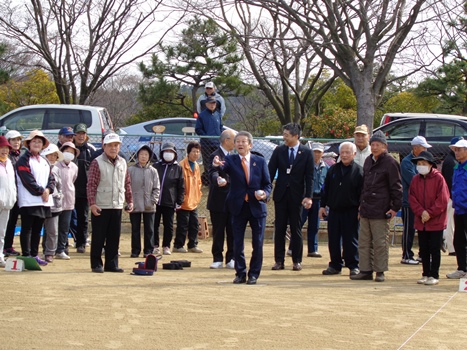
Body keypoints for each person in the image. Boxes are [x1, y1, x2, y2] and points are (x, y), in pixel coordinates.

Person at [212, 131, 272, 284]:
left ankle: (253, 274)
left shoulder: (260, 161)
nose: (239, 144)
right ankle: (240, 273)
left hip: (257, 207)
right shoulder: (231, 160)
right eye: (237, 141)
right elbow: (222, 168)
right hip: (238, 206)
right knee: (237, 242)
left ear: (250, 145)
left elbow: (267, 184)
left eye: (243, 141)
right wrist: (216, 165)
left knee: (257, 243)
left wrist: (264, 194)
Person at [351, 130, 402, 282]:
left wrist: (394, 207)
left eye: (377, 145)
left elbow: (397, 187)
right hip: (366, 207)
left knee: (380, 242)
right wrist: (361, 205)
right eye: (372, 144)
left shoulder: (391, 163)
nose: (374, 147)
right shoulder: (368, 161)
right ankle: (365, 270)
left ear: (385, 146)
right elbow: (364, 186)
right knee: (364, 241)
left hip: (381, 209)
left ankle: (380, 271)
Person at [268, 123, 313, 271]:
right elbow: (270, 172)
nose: (284, 138)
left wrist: (308, 196)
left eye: (287, 135)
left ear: (295, 136)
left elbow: (309, 176)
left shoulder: (306, 152)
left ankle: (297, 260)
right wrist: (266, 190)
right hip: (281, 194)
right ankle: (279, 261)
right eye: (284, 135)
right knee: (280, 228)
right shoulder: (279, 151)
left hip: (297, 196)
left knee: (296, 228)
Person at [87, 133, 133, 273]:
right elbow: (91, 185)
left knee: (114, 236)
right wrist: (92, 204)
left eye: (116, 145)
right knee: (98, 237)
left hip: (117, 204)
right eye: (110, 145)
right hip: (101, 205)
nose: (113, 148)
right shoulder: (97, 162)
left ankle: (112, 264)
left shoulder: (123, 162)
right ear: (104, 146)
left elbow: (127, 183)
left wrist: (130, 200)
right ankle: (96, 264)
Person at [320, 142, 363, 276]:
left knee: (351, 239)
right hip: (334, 210)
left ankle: (353, 265)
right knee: (333, 239)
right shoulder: (333, 169)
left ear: (354, 154)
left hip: (351, 211)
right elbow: (325, 189)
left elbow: (362, 192)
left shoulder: (359, 171)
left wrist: (361, 208)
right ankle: (335, 265)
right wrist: (322, 206)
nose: (344, 155)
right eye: (342, 152)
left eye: (347, 152)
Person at [409, 151, 449, 285]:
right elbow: (412, 198)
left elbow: (442, 199)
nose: (420, 166)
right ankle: (425, 273)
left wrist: (429, 213)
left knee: (434, 248)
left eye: (423, 163)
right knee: (423, 248)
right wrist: (421, 212)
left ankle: (434, 274)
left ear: (431, 165)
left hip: (436, 220)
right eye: (419, 164)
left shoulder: (439, 179)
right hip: (421, 221)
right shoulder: (415, 179)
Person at [16, 130, 55, 266]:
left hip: (43, 201)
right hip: (28, 200)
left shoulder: (44, 160)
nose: (37, 144)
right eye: (34, 141)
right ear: (29, 144)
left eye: (39, 142)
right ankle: (26, 255)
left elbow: (51, 178)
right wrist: (41, 191)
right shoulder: (23, 159)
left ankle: (34, 254)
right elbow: (27, 179)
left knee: (38, 229)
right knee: (27, 228)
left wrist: (49, 190)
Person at [400, 136, 432, 265]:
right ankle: (406, 255)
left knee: (422, 228)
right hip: (409, 202)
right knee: (409, 229)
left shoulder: (422, 161)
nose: (425, 150)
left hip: (422, 202)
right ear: (415, 148)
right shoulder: (407, 162)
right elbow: (415, 181)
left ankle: (421, 254)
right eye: (423, 147)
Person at [207, 129, 236, 269]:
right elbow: (211, 172)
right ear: (226, 140)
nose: (236, 143)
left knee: (232, 230)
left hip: (232, 200)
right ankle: (217, 258)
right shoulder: (214, 155)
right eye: (234, 140)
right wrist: (217, 179)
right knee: (218, 231)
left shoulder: (234, 156)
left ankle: (231, 258)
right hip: (218, 200)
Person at [153, 142, 185, 256]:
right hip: (155, 201)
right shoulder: (156, 166)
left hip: (170, 201)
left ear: (175, 154)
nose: (168, 154)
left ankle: (166, 246)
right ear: (162, 153)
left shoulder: (178, 168)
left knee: (169, 225)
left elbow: (181, 186)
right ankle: (155, 245)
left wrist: (179, 201)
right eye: (166, 151)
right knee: (154, 224)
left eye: (171, 152)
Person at [128, 145, 160, 258]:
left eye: (146, 154)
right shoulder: (131, 170)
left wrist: (153, 200)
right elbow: (127, 186)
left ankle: (148, 251)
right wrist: (129, 201)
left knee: (149, 229)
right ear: (137, 156)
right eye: (141, 154)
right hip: (135, 204)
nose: (143, 157)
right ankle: (135, 250)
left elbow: (157, 188)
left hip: (149, 205)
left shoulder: (153, 171)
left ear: (149, 157)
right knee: (135, 229)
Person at [173, 141, 203, 253]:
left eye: (198, 152)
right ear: (188, 152)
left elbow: (199, 182)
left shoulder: (196, 166)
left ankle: (192, 245)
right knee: (182, 225)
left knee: (194, 224)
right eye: (194, 151)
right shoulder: (181, 165)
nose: (196, 154)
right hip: (183, 201)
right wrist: (180, 199)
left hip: (194, 201)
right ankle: (178, 245)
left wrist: (198, 195)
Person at [300, 142, 328, 258]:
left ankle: (313, 249)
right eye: (314, 152)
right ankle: (293, 247)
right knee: (299, 223)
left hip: (318, 199)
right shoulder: (305, 165)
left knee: (314, 225)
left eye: (319, 152)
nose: (316, 154)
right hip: (305, 198)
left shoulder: (326, 168)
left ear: (323, 153)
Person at [73, 123, 96, 253]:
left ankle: (81, 243)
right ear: (74, 135)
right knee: (67, 219)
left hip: (84, 190)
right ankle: (63, 243)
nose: (81, 136)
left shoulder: (90, 150)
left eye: (83, 134)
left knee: (83, 218)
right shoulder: (69, 148)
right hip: (69, 190)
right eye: (79, 134)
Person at [446, 138, 467, 279]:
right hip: (459, 209)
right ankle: (462, 268)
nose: (456, 152)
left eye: (459, 149)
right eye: (455, 150)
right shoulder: (457, 167)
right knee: (458, 240)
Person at [55, 142, 79, 260]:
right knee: (52, 227)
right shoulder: (56, 165)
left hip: (69, 200)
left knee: (65, 227)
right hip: (56, 201)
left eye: (71, 152)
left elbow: (73, 180)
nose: (69, 154)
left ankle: (61, 249)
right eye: (66, 151)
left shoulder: (74, 167)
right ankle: (48, 249)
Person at [40, 144, 64, 263]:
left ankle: (50, 252)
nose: (53, 157)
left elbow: (60, 186)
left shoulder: (57, 169)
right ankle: (33, 251)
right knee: (36, 228)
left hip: (54, 203)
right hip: (40, 201)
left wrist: (59, 194)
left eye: (55, 155)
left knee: (53, 230)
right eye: (50, 155)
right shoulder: (39, 166)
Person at [3, 130, 23, 257]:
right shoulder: (6, 157)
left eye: (18, 140)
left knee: (13, 221)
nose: (17, 142)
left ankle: (8, 246)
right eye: (14, 140)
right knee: (5, 222)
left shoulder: (19, 156)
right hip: (5, 193)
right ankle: (4, 246)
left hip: (16, 193)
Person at [195, 95, 223, 186]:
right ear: (206, 104)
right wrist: (206, 137)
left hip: (217, 143)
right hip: (206, 144)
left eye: (214, 103)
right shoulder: (202, 115)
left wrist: (222, 136)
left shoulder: (218, 114)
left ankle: (217, 180)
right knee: (207, 163)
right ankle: (209, 182)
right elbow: (198, 129)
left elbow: (221, 127)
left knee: (218, 162)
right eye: (210, 103)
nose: (212, 105)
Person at [441, 137, 460, 256]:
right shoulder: (450, 161)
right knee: (449, 223)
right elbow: (449, 181)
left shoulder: (454, 160)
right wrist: (453, 198)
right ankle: (451, 247)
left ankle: (450, 245)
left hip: (453, 197)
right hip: (450, 197)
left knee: (451, 223)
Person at [0, 136, 17, 268]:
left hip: (7, 203)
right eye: (2, 148)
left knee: (2, 232)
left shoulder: (9, 163)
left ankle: (0, 256)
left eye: (6, 148)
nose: (4, 150)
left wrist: (13, 197)